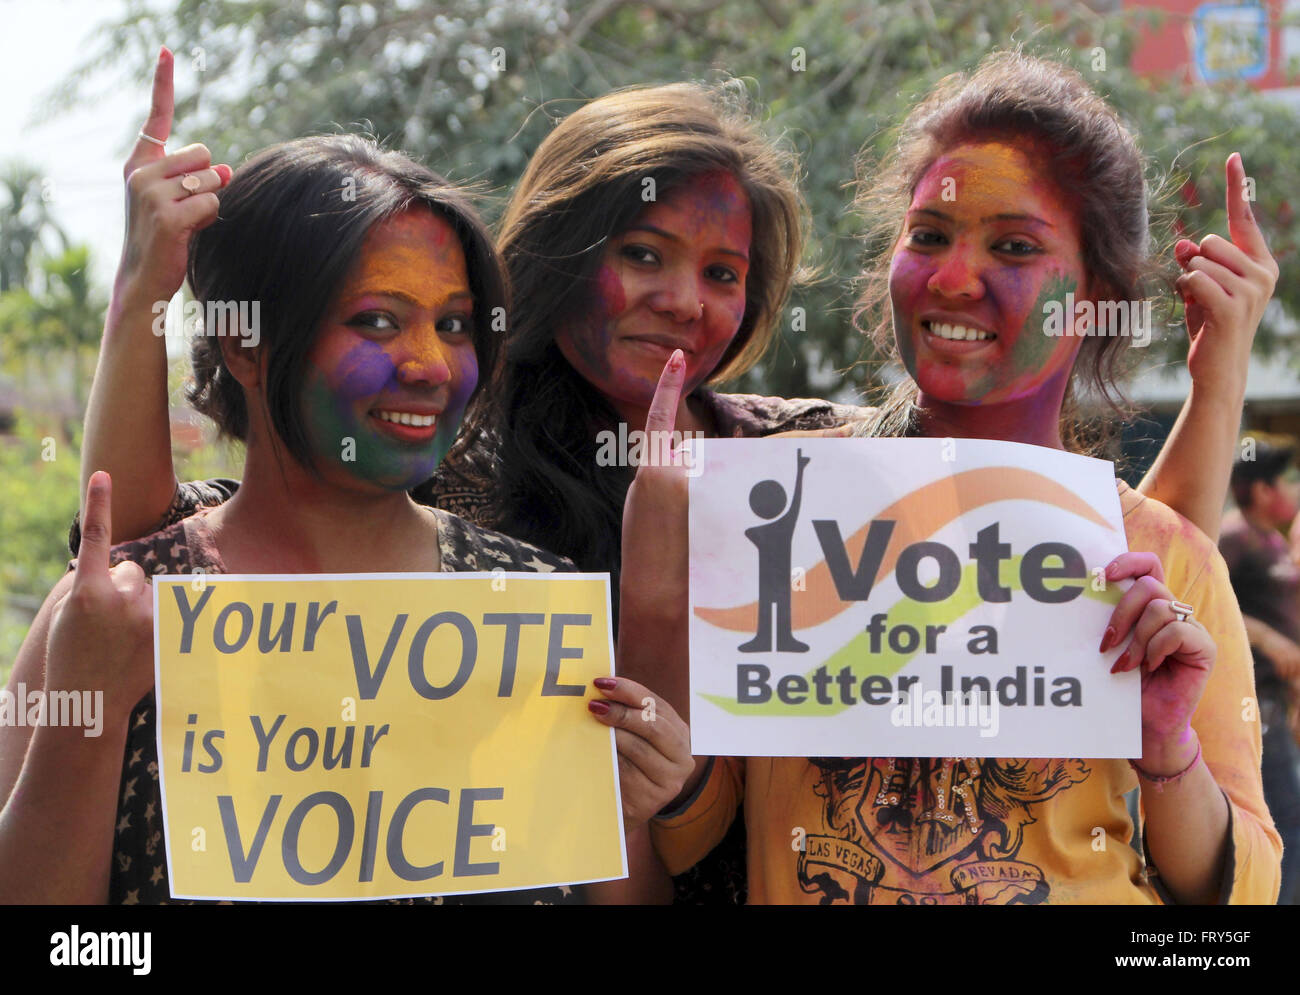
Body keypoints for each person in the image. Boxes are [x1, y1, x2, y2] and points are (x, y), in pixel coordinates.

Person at [72, 62, 1272, 903]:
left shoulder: (792, 464)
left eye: (720, 269)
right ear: (560, 251)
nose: (680, 299)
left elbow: (1092, 541)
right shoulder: (436, 441)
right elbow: (173, 555)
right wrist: (142, 296)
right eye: (639, 254)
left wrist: (1213, 388)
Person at [0, 48, 691, 904]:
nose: (431, 365)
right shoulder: (115, 617)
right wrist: (90, 721)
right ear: (245, 345)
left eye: (454, 323)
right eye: (377, 320)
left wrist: (631, 809)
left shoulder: (532, 606)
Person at [629, 51, 1282, 904]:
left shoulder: (1165, 557)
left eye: (1013, 245)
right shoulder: (785, 509)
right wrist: (668, 761)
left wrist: (1168, 750)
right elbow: (706, 833)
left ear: (1096, 296)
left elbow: (1241, 894)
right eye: (929, 236)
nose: (951, 277)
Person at [1220, 435, 1300, 903]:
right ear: (1263, 489)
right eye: (1284, 480)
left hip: (1275, 702)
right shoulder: (1232, 537)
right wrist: (1267, 638)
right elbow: (1195, 595)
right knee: (1284, 819)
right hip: (1249, 707)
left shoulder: (1271, 540)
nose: (1292, 488)